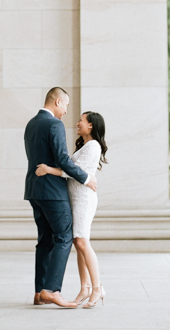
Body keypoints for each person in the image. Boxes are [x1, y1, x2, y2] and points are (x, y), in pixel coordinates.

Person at [24, 87, 97, 308]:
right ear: (57, 101)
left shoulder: (31, 124)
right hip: (53, 192)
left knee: (45, 241)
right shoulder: (54, 124)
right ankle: (52, 290)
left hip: (34, 190)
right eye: (65, 105)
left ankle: (38, 292)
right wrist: (86, 178)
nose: (66, 111)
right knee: (64, 237)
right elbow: (63, 159)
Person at [36, 111, 108, 308]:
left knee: (83, 242)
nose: (77, 123)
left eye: (81, 121)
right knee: (78, 242)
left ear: (91, 125)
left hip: (84, 199)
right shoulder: (85, 145)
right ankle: (84, 288)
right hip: (75, 198)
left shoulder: (93, 146)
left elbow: (75, 172)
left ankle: (97, 288)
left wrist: (48, 170)